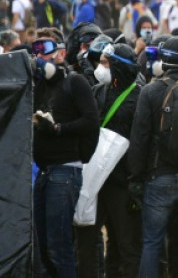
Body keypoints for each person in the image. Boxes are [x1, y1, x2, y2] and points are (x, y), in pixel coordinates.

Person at [128, 36, 178, 278]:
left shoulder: (150, 92)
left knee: (152, 243)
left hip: (158, 179)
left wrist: (135, 178)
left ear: (165, 61)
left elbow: (139, 139)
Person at [31, 28, 99, 278]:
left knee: (59, 245)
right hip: (45, 172)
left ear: (60, 54)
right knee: (43, 246)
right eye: (36, 51)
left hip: (65, 170)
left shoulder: (75, 82)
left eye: (45, 51)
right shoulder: (39, 86)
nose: (40, 57)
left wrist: (58, 128)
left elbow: (91, 121)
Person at [92, 42, 143, 277]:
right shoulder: (98, 91)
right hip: (96, 179)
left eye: (105, 63)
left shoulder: (139, 96)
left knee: (125, 243)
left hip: (122, 182)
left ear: (118, 68)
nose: (99, 68)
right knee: (92, 240)